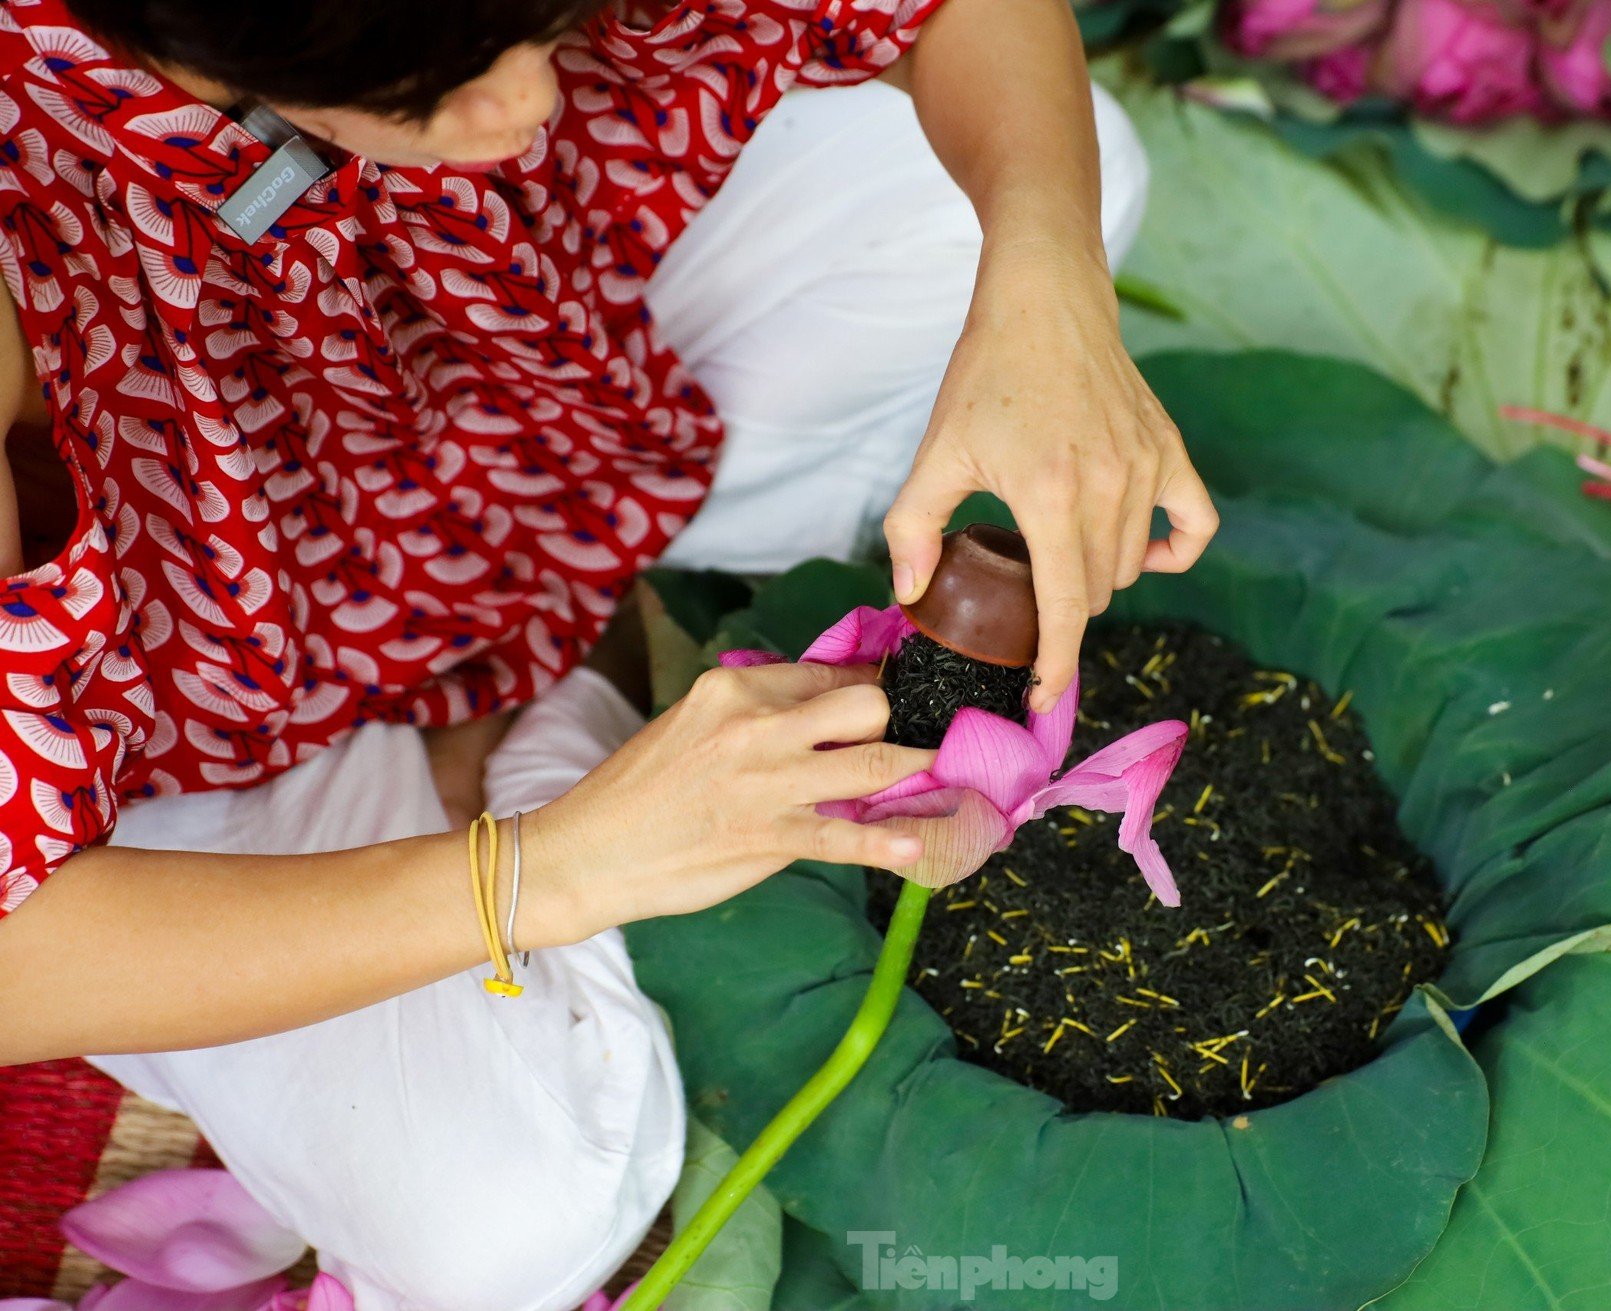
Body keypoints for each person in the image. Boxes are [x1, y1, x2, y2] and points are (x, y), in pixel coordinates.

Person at [0, 0, 1217, 1304]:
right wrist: (548, 868)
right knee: (507, 1233)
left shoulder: (493, 88)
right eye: (448, 80)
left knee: (1040, 172)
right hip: (168, 713)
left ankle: (571, 671)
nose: (527, 100)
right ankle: (550, 758)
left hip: (488, 403)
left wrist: (1045, 290)